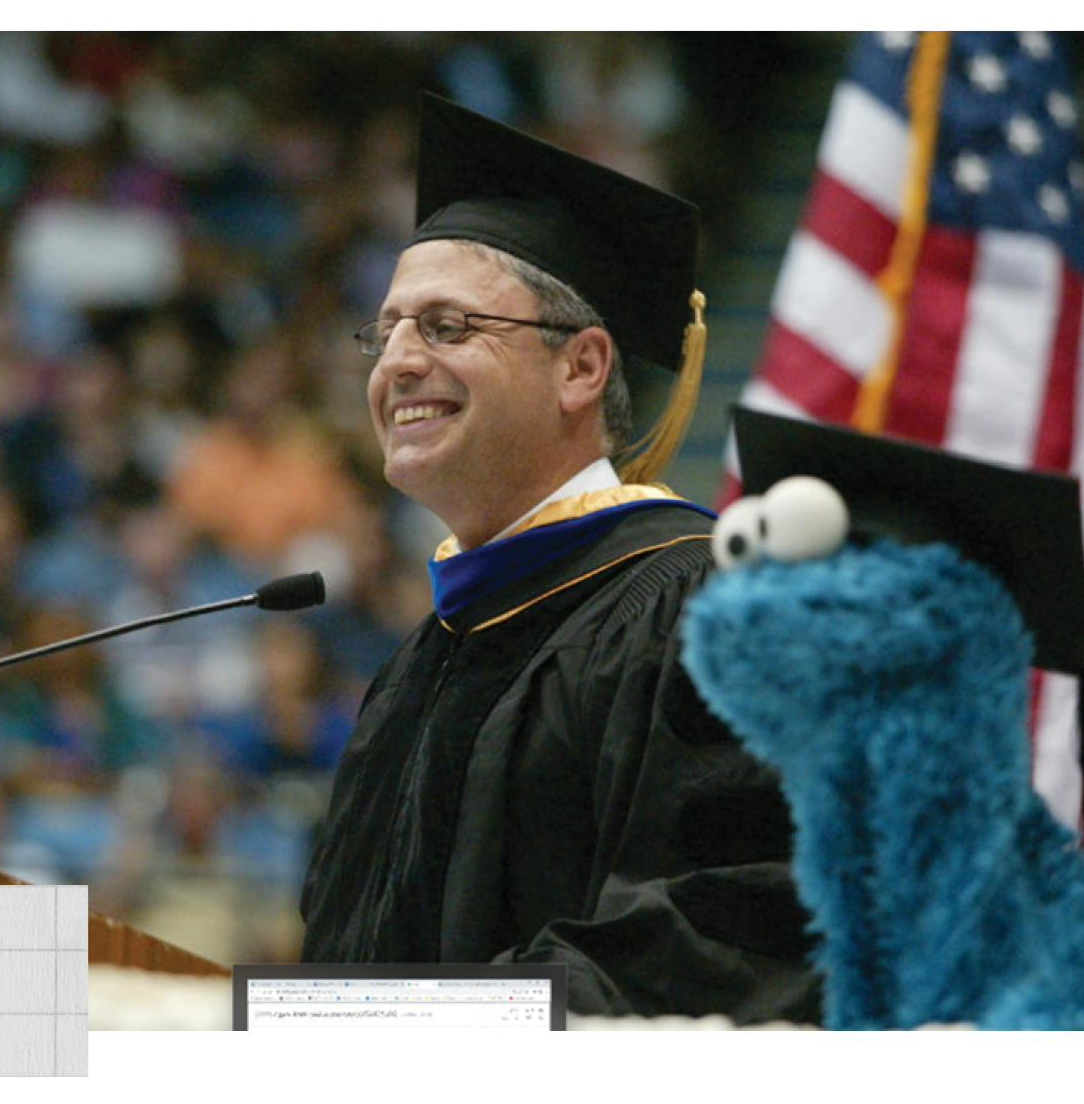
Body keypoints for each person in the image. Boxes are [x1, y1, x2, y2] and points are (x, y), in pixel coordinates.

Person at [298, 95, 822, 1025]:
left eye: (448, 326)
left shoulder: (695, 609)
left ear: (581, 367)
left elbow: (716, 945)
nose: (397, 364)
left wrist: (380, 1031)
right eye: (387, 332)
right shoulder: (422, 659)